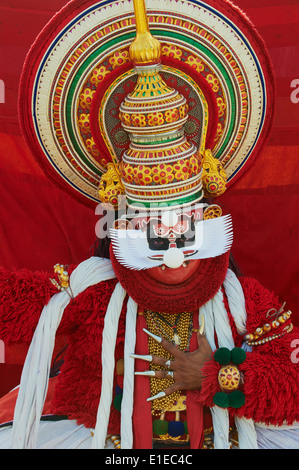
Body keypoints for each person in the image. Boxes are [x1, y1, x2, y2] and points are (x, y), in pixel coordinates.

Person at [0, 0, 298, 450]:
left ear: (209, 221)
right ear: (129, 228)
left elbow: (291, 385)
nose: (175, 251)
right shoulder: (93, 293)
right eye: (158, 234)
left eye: (187, 231)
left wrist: (219, 376)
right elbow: (18, 306)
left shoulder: (242, 301)